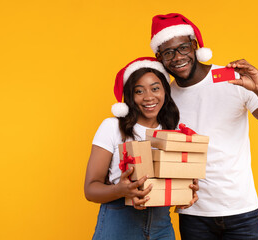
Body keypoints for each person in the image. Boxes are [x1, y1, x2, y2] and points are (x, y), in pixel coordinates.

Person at [149, 13, 258, 240]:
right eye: (168, 52)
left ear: (195, 46)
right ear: (159, 58)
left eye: (183, 48)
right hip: (193, 214)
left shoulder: (233, 79)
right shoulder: (164, 96)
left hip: (241, 212)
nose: (177, 57)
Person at [84, 57, 198, 240]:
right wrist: (121, 190)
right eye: (139, 91)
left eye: (155, 88)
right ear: (130, 96)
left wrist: (186, 192)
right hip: (119, 222)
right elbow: (90, 190)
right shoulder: (112, 127)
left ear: (165, 92)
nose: (149, 97)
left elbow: (177, 185)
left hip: (162, 226)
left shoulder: (173, 133)